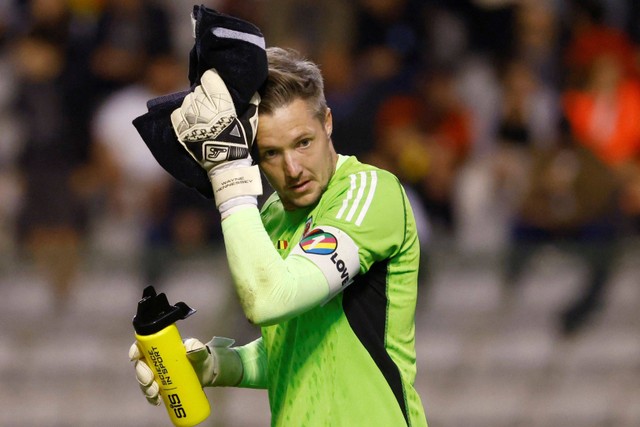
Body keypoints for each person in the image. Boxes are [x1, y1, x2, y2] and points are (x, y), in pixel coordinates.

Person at [129, 46, 428, 426]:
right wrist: (215, 365)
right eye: (271, 153)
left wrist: (230, 180)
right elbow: (288, 351)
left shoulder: (370, 193)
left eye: (303, 142)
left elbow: (270, 299)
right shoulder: (269, 218)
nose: (293, 168)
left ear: (328, 123)